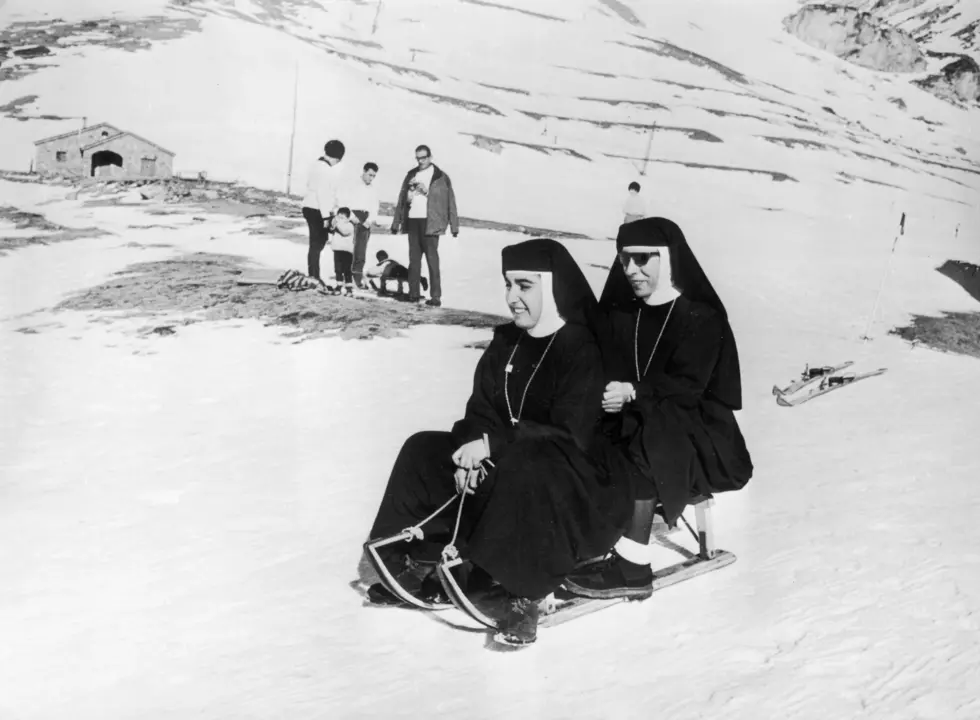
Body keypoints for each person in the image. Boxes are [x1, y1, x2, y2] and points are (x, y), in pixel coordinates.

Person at [364, 239, 632, 645]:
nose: (512, 298)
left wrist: (491, 447)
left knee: (530, 466)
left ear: (553, 286)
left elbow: (567, 431)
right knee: (423, 447)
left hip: (575, 486)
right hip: (511, 463)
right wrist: (469, 450)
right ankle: (413, 559)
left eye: (524, 286)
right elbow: (480, 408)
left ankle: (523, 596)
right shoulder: (507, 341)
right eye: (508, 285)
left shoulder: (580, 347)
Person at [564, 217, 753, 600]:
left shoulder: (701, 316)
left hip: (698, 434)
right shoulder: (623, 315)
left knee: (647, 432)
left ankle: (633, 567)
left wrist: (633, 392)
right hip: (637, 418)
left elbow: (689, 388)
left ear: (668, 259)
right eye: (624, 261)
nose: (631, 270)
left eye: (642, 259)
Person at [390, 144, 459, 308]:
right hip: (413, 221)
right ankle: (413, 294)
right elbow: (402, 200)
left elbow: (449, 201)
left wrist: (454, 226)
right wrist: (397, 221)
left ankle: (435, 296)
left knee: (432, 260)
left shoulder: (441, 177)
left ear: (430, 157)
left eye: (423, 158)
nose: (420, 161)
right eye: (418, 158)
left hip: (431, 222)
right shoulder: (411, 174)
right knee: (414, 261)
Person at [302, 140, 346, 280]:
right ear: (337, 158)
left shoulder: (316, 165)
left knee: (317, 242)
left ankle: (314, 275)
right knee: (317, 243)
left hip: (310, 206)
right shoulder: (325, 169)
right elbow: (323, 194)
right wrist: (326, 217)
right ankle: (314, 277)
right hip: (317, 209)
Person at [346, 162, 380, 289]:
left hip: (366, 220)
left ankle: (357, 277)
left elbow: (375, 207)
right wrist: (351, 217)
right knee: (349, 249)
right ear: (364, 171)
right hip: (353, 217)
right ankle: (346, 276)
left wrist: (369, 220)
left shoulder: (373, 190)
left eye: (374, 176)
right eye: (370, 174)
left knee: (361, 251)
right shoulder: (353, 185)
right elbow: (345, 203)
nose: (371, 178)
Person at [329, 208, 356, 295]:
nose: (340, 219)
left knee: (347, 270)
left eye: (342, 217)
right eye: (338, 217)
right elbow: (331, 229)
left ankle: (349, 288)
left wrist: (336, 223)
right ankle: (339, 286)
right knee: (338, 269)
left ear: (347, 218)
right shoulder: (337, 225)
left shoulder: (350, 225)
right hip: (337, 250)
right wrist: (332, 223)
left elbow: (344, 232)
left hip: (347, 252)